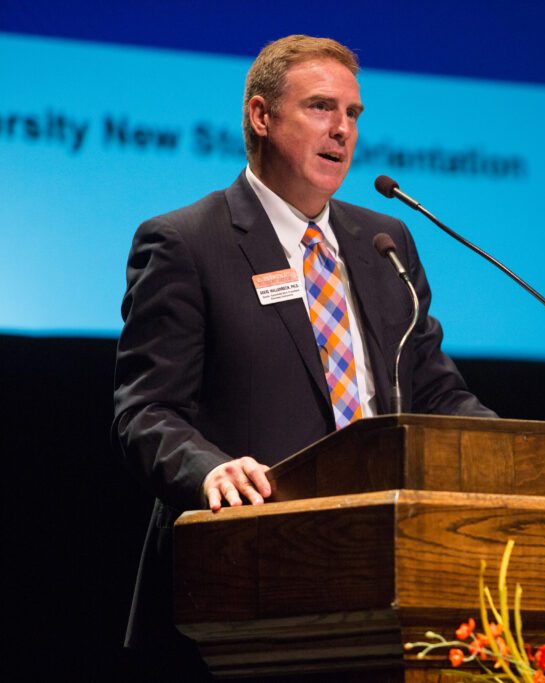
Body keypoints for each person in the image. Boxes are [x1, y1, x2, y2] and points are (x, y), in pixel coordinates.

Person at [112, 34, 495, 677]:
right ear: (261, 117)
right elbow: (146, 410)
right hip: (246, 577)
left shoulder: (383, 241)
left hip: (384, 577)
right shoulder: (186, 243)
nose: (342, 130)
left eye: (353, 114)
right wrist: (210, 472)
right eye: (321, 107)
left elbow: (433, 391)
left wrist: (507, 451)